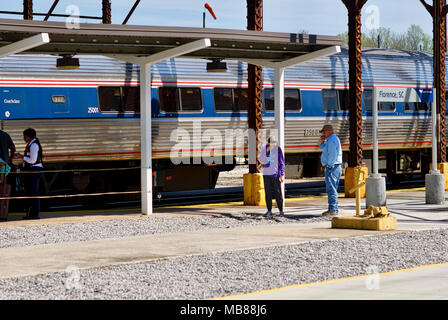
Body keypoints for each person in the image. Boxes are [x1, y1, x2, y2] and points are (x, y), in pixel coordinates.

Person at [15, 128, 44, 220]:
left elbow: (32, 160)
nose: (24, 138)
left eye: (24, 136)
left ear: (28, 137)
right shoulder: (31, 144)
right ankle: (30, 213)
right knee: (30, 192)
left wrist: (21, 156)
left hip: (34, 170)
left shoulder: (34, 145)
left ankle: (35, 213)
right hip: (32, 170)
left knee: (33, 192)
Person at [319, 124, 342, 216]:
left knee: (331, 189)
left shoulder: (332, 140)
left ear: (328, 132)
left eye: (324, 132)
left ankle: (333, 209)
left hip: (332, 167)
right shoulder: (331, 140)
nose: (323, 134)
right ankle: (333, 208)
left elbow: (332, 154)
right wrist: (322, 142)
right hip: (334, 167)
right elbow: (324, 149)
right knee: (333, 189)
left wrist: (329, 165)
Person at [260, 137, 285, 217]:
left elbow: (281, 162)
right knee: (268, 193)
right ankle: (269, 210)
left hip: (275, 174)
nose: (273, 144)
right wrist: (266, 152)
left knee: (277, 192)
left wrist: (282, 174)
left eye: (274, 142)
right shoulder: (264, 148)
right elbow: (262, 160)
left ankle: (281, 210)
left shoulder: (278, 149)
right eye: (271, 142)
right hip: (266, 174)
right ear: (268, 143)